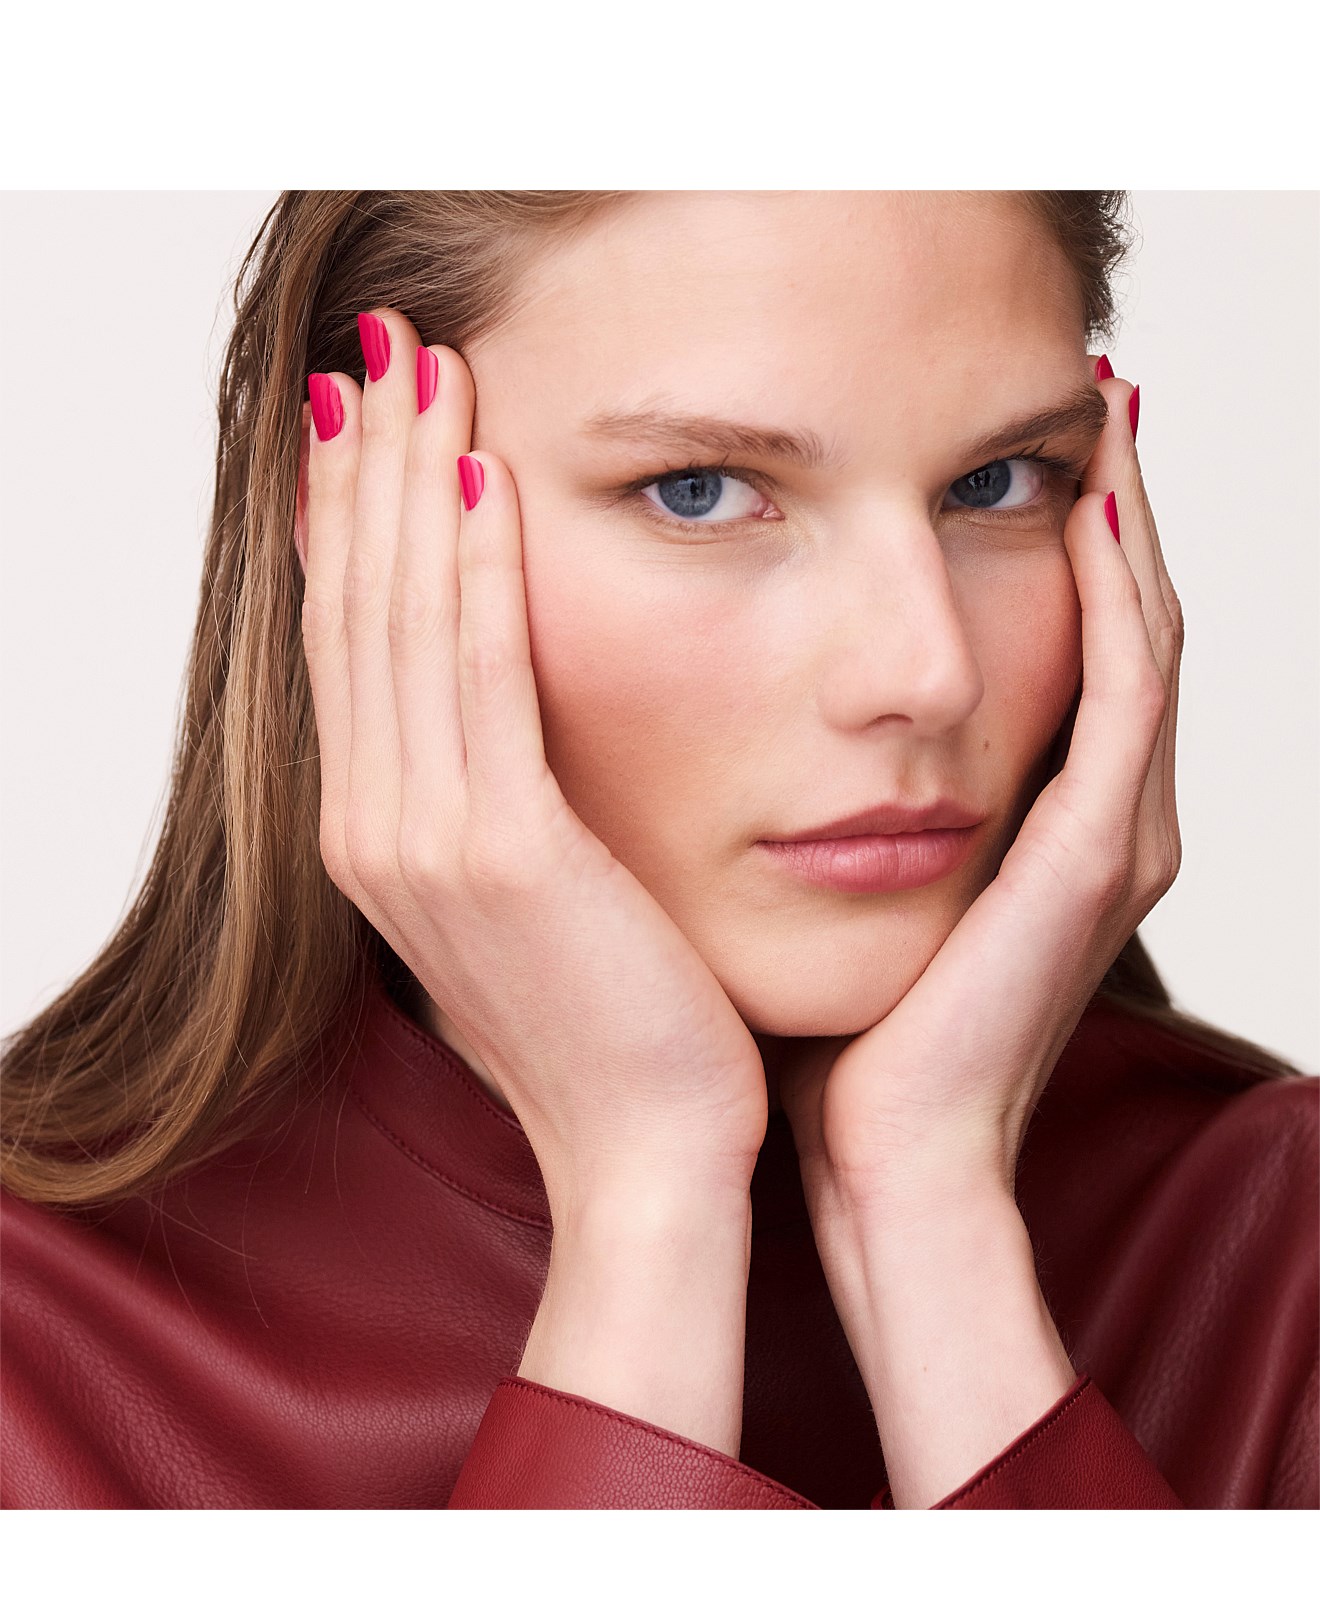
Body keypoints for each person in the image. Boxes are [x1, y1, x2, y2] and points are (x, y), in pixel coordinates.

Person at [1, 190, 1314, 1510]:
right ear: (355, 529)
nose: (929, 672)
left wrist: (931, 1214)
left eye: (999, 482)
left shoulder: (1286, 1256)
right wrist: (647, 1196)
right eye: (702, 492)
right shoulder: (37, 1347)